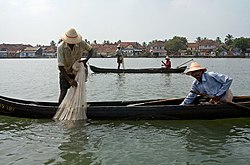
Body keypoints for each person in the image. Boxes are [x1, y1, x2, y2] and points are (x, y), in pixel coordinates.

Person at [57, 28, 93, 104]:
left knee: (77, 93)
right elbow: (60, 66)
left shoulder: (81, 43)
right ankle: (58, 110)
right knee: (63, 92)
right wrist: (69, 80)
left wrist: (85, 60)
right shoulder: (61, 47)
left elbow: (91, 50)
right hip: (65, 73)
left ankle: (76, 107)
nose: (72, 43)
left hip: (77, 72)